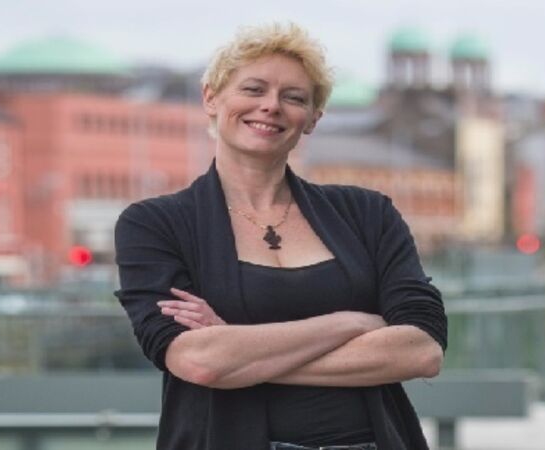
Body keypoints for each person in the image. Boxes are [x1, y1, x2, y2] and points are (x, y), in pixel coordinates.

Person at [114, 22, 447, 450]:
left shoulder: (368, 214)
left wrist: (239, 349)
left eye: (294, 97)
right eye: (253, 89)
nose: (271, 106)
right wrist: (351, 323)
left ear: (313, 119)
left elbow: (421, 351)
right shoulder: (154, 225)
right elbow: (199, 361)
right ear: (211, 98)